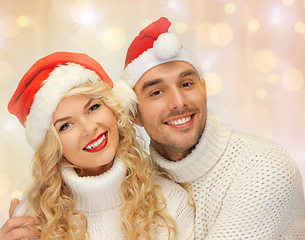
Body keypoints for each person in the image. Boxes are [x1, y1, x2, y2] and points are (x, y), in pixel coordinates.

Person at [118, 17, 305, 239]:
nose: (178, 102)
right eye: (157, 92)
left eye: (186, 84)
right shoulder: (140, 184)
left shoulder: (264, 168)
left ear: (204, 91)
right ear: (133, 113)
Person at [0, 51, 194, 240]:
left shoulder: (170, 202)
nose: (89, 128)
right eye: (66, 125)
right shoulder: (32, 218)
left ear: (114, 110)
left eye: (93, 107)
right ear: (52, 145)